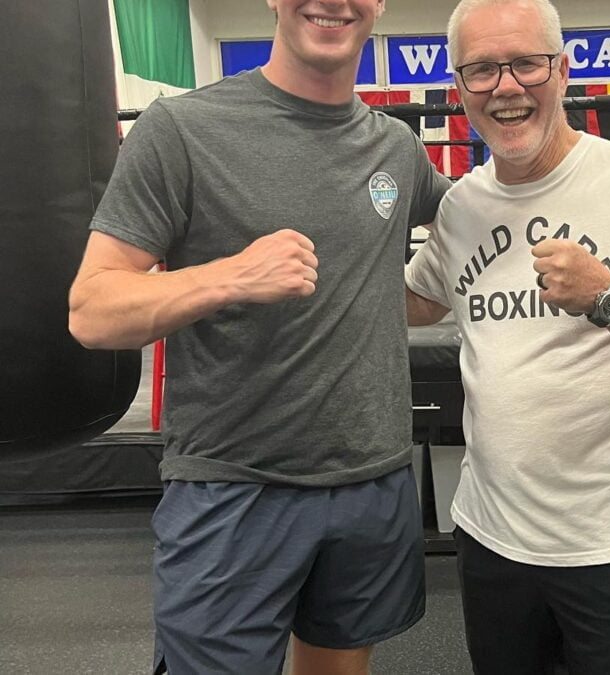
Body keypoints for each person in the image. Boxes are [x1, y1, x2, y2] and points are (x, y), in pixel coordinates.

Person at [68, 0, 450, 672]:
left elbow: (488, 218)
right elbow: (92, 311)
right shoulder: (182, 130)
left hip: (371, 480)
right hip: (234, 488)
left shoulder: (397, 148)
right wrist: (231, 276)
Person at [404, 0, 610, 672]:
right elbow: (409, 302)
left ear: (562, 70)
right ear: (459, 88)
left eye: (525, 63)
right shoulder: (462, 206)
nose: (506, 86)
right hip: (491, 540)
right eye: (483, 70)